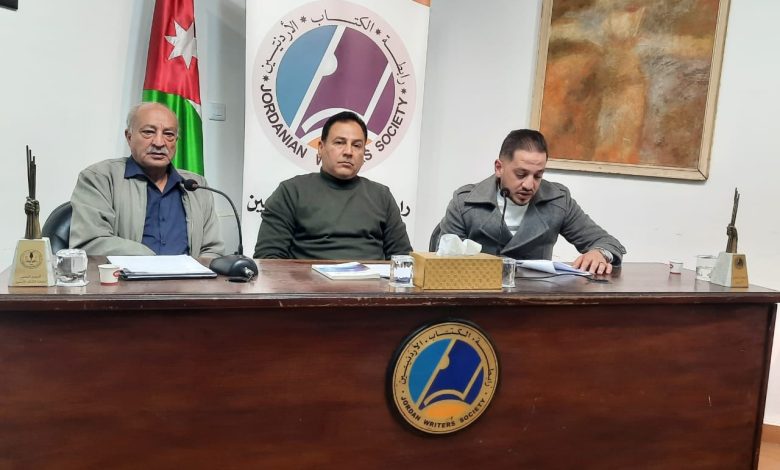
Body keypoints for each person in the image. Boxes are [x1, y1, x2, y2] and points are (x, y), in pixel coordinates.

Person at [437, 129, 625, 274]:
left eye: (538, 176)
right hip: (478, 300)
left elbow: (607, 242)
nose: (529, 185)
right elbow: (443, 263)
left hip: (535, 301)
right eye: (521, 174)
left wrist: (599, 253)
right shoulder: (465, 202)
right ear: (499, 168)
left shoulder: (558, 200)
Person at [69, 102, 224, 258]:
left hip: (191, 274)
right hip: (125, 274)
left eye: (169, 134)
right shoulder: (100, 178)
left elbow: (212, 250)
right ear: (129, 137)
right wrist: (154, 263)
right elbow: (90, 242)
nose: (159, 142)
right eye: (148, 132)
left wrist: (196, 271)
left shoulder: (196, 186)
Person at [254, 111, 412, 260]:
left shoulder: (381, 196)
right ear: (321, 148)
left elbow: (403, 257)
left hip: (372, 280)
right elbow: (268, 259)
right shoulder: (291, 192)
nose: (348, 151)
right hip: (308, 280)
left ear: (364, 152)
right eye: (339, 143)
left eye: (357, 145)